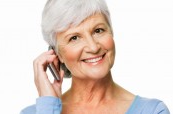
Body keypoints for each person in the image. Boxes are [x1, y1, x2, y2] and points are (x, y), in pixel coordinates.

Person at [21, 0, 170, 113]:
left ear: (111, 32)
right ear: (57, 54)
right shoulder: (37, 111)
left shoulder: (152, 111)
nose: (93, 47)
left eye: (98, 30)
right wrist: (48, 105)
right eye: (74, 38)